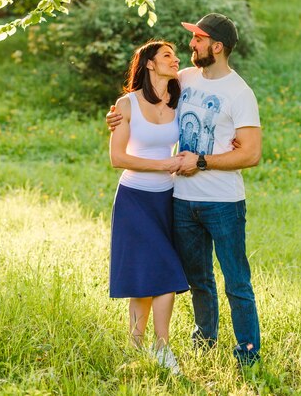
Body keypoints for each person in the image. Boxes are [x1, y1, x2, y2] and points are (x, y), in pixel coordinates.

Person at [108, 14, 262, 367]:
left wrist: (203, 161)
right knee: (197, 280)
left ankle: (247, 355)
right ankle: (204, 344)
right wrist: (117, 117)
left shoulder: (240, 92)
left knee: (236, 281)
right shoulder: (185, 79)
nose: (190, 46)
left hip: (222, 201)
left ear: (216, 46)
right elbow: (143, 102)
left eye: (198, 39)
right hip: (179, 198)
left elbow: (251, 153)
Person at [109, 39, 189, 374]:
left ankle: (143, 345)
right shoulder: (126, 105)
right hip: (134, 199)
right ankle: (157, 347)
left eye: (176, 55)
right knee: (160, 272)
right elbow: (117, 157)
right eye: (167, 56)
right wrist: (163, 165)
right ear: (150, 64)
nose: (175, 60)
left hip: (167, 199)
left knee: (153, 271)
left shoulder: (180, 97)